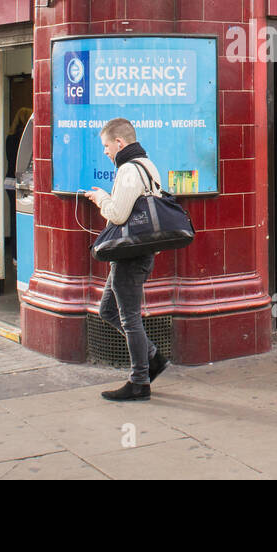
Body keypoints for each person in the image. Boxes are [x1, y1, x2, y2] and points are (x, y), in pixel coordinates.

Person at [84, 117, 169, 401]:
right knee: (108, 309)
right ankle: (153, 357)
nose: (105, 152)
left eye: (106, 146)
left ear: (119, 143)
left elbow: (118, 215)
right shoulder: (147, 164)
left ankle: (139, 382)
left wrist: (101, 199)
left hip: (131, 254)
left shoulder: (129, 170)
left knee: (129, 318)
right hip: (137, 253)